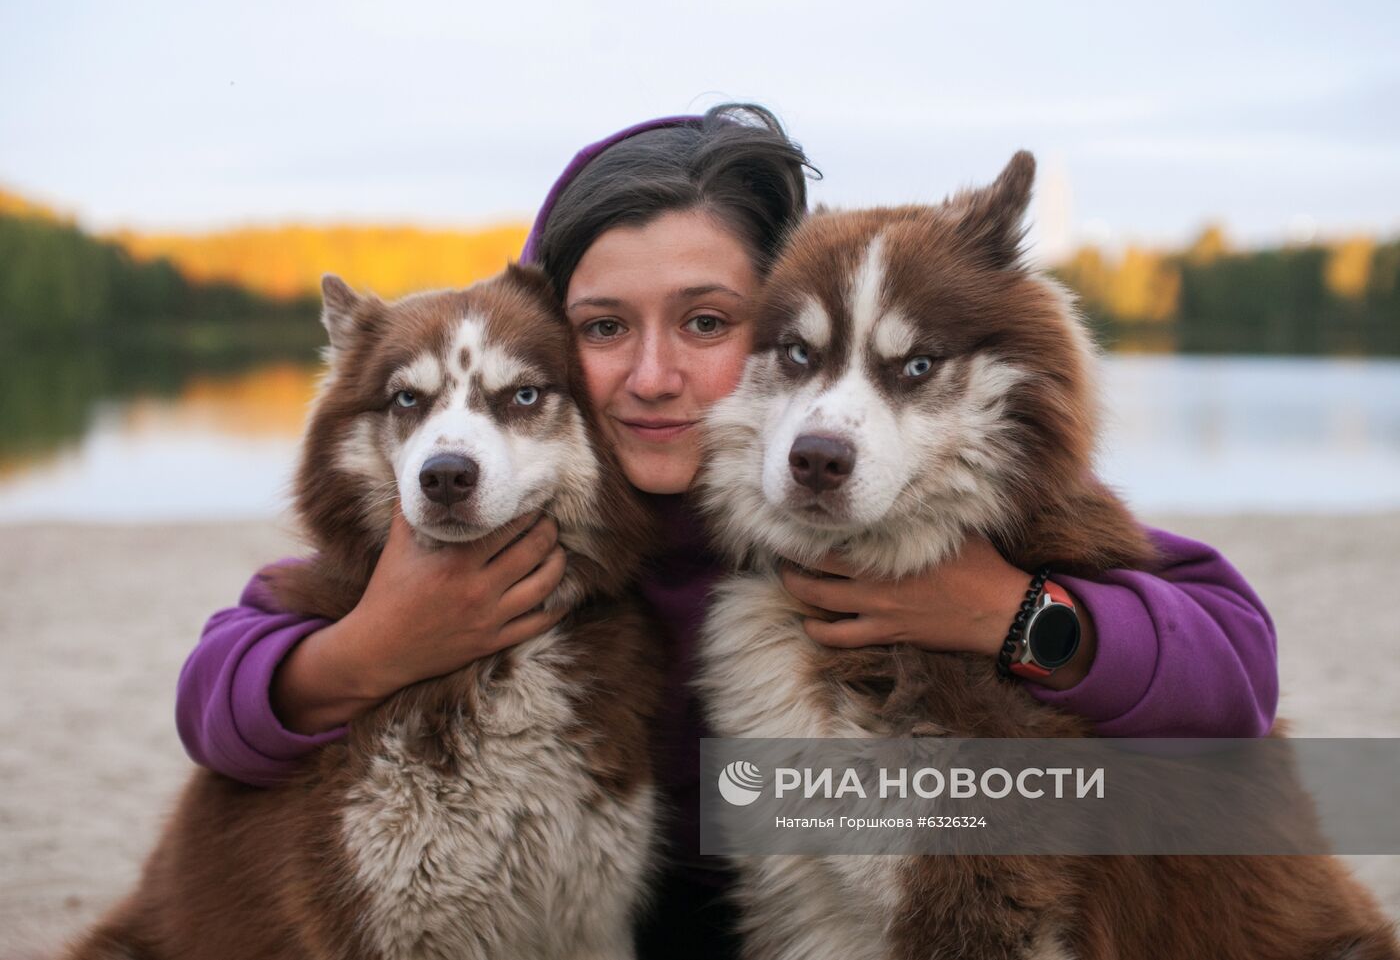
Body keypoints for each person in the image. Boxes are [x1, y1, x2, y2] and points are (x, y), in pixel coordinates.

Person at [176, 105, 1278, 959]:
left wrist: (1008, 615)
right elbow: (220, 690)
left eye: (707, 324)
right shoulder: (522, 536)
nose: (653, 377)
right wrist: (364, 653)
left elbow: (1232, 666)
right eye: (603, 328)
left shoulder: (882, 514)